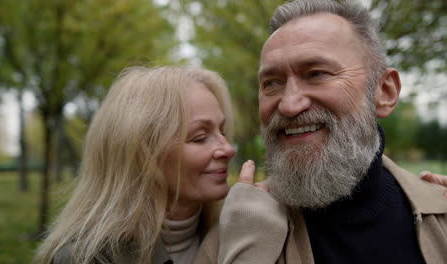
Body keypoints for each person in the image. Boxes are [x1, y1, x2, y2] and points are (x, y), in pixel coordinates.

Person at [195, 0, 447, 263]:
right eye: (272, 83)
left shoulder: (441, 219)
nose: (290, 104)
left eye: (316, 74)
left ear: (384, 92)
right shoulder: (231, 241)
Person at [34, 66, 236, 264]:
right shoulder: (85, 258)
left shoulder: (241, 234)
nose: (227, 149)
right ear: (142, 154)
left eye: (223, 132)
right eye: (200, 137)